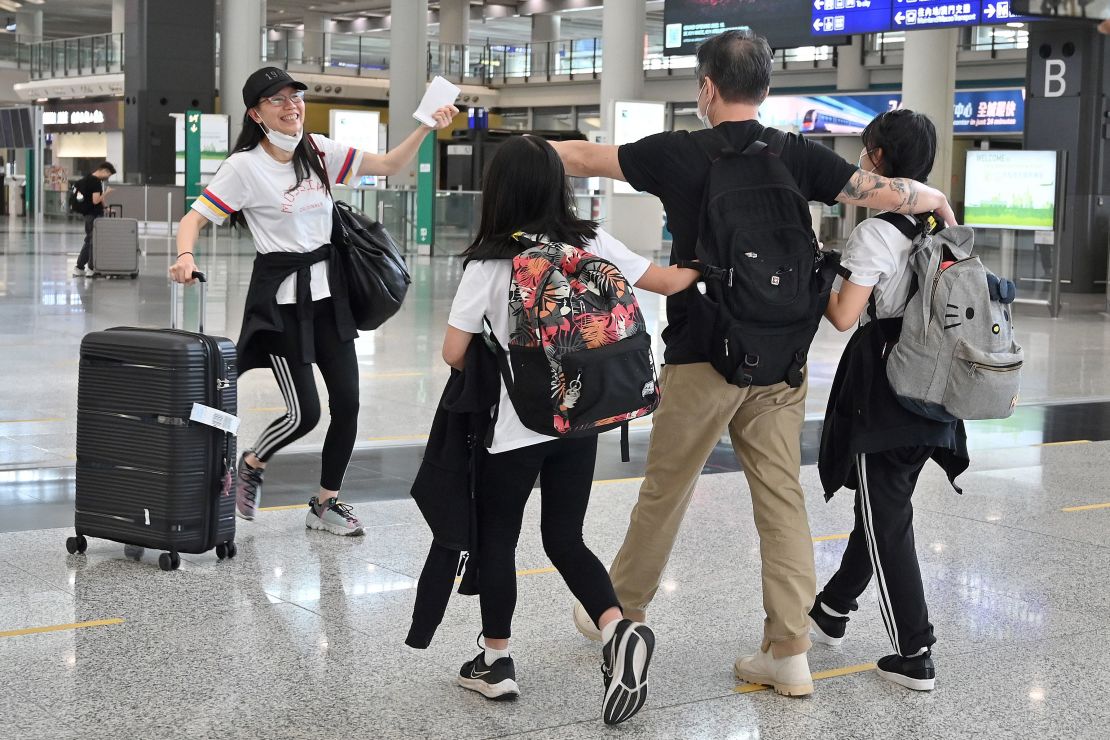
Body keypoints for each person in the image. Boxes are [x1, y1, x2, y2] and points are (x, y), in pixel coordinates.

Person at [549, 29, 957, 697]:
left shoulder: (676, 153)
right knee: (780, 501)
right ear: (766, 90)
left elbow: (585, 158)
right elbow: (879, 192)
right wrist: (930, 198)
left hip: (703, 354)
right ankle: (789, 652)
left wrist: (524, 153)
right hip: (782, 360)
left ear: (707, 88)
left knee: (667, 490)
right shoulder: (798, 155)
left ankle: (619, 615)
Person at [441, 134, 700, 723]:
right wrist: (710, 261)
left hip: (516, 425)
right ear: (559, 186)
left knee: (500, 536)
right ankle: (616, 630)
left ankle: (496, 662)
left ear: (499, 192)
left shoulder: (491, 260)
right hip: (580, 416)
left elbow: (454, 352)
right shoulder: (591, 240)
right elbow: (664, 281)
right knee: (565, 537)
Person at [169, 67, 457, 535]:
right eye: (277, 100)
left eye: (295, 97)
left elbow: (387, 165)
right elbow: (193, 219)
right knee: (306, 413)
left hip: (331, 298)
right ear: (256, 113)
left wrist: (426, 125)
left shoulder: (318, 150)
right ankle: (253, 462)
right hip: (281, 305)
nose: (291, 106)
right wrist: (184, 255)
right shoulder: (243, 167)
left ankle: (326, 503)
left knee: (349, 404)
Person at [810, 109, 968, 692]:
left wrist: (823, 271)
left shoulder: (876, 232)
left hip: (888, 389)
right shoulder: (942, 222)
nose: (860, 156)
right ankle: (832, 609)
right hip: (939, 385)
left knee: (887, 518)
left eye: (866, 148)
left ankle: (915, 649)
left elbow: (843, 316)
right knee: (880, 507)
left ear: (879, 160)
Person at [72, 161, 117, 277]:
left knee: (89, 240)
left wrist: (106, 208)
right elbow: (96, 200)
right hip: (94, 216)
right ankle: (91, 268)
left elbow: (97, 199)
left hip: (88, 214)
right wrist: (106, 193)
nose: (107, 178)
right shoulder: (96, 182)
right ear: (104, 171)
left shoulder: (87, 178)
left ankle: (80, 267)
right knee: (93, 241)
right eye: (108, 175)